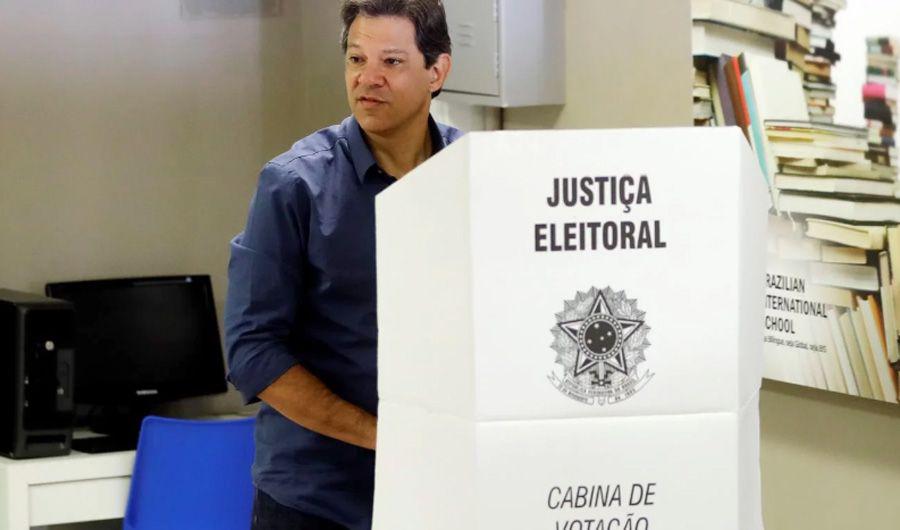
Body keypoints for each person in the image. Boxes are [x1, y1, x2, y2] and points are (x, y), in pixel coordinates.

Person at [223, 1, 459, 529]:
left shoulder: (474, 176)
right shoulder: (294, 184)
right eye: (356, 59)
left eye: (392, 62)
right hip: (317, 501)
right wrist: (381, 436)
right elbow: (253, 351)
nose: (367, 79)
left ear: (437, 71)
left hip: (443, 490)